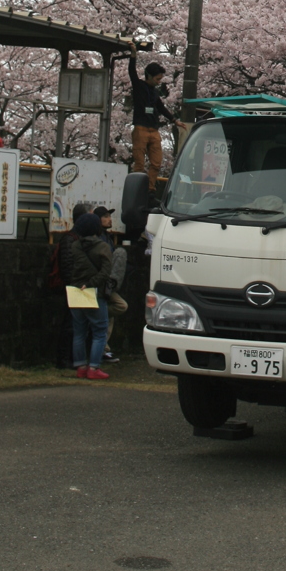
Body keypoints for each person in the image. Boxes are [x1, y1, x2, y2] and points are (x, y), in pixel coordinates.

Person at [61, 213, 115, 380]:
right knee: (99, 331)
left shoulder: (75, 246)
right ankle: (94, 367)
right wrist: (92, 283)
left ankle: (81, 366)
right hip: (94, 292)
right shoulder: (103, 247)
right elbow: (106, 272)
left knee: (79, 332)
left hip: (76, 292)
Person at [128, 54, 170, 197]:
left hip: (154, 130)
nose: (159, 82)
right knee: (139, 163)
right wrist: (133, 56)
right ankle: (137, 191)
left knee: (156, 163)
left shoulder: (155, 92)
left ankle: (150, 189)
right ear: (149, 76)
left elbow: (161, 107)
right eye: (157, 79)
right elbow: (132, 72)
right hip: (141, 128)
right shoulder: (139, 86)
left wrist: (174, 120)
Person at [94, 205, 127, 364]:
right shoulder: (96, 238)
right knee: (119, 307)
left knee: (113, 311)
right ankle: (102, 350)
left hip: (107, 284)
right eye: (106, 216)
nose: (109, 219)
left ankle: (104, 349)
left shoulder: (107, 237)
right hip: (101, 282)